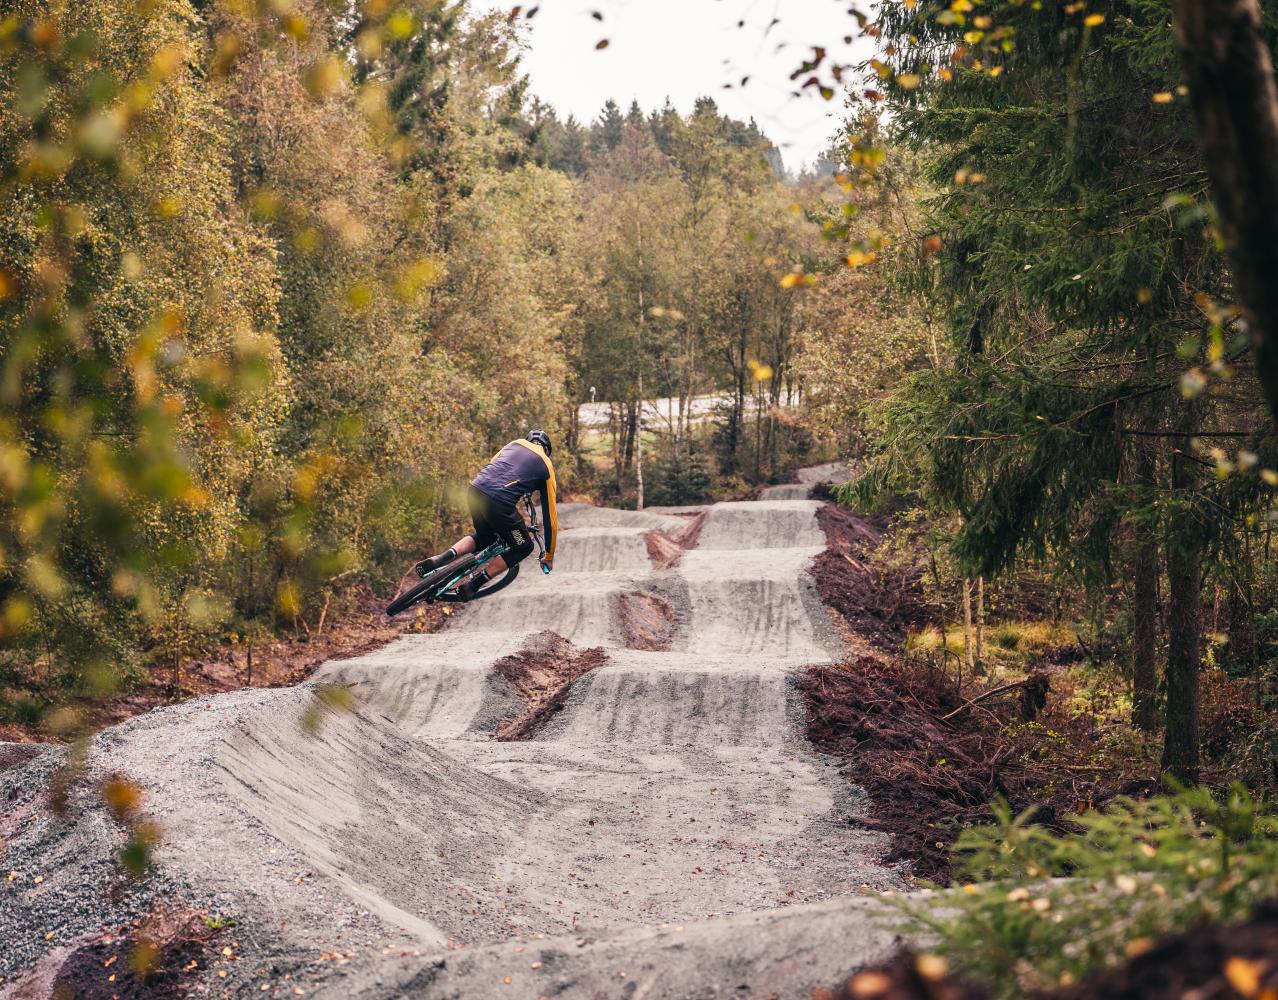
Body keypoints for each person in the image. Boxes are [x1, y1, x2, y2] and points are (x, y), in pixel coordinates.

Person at [416, 429, 558, 600]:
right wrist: (549, 556)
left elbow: (494, 464)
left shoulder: (514, 444)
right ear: (547, 449)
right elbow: (551, 517)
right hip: (499, 502)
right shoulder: (546, 465)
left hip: (476, 489)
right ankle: (473, 584)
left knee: (485, 537)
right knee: (524, 547)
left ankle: (441, 558)